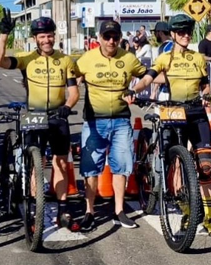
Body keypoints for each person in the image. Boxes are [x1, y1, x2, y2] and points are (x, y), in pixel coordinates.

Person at [131, 14, 211, 236]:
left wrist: (208, 96)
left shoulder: (198, 58)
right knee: (173, 160)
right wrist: (134, 91)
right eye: (181, 32)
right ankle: (186, 209)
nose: (186, 36)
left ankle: (209, 218)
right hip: (172, 109)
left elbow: (204, 86)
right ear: (172, 34)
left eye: (188, 32)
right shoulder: (164, 58)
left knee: (206, 166)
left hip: (196, 111)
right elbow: (148, 78)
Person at [0, 12, 80, 230]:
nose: (46, 40)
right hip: (34, 115)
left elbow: (74, 91)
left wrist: (67, 108)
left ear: (54, 36)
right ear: (35, 39)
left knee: (60, 162)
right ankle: (33, 211)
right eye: (41, 37)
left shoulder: (65, 60)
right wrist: (4, 35)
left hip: (57, 116)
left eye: (49, 36)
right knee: (35, 163)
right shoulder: (27, 59)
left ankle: (62, 210)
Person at [76, 20, 147, 231]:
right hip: (94, 121)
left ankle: (119, 211)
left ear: (120, 38)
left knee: (121, 167)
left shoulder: (128, 58)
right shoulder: (87, 58)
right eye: (107, 37)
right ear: (99, 38)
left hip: (121, 121)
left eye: (115, 37)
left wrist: (136, 90)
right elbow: (72, 79)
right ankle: (89, 211)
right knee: (90, 169)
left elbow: (148, 75)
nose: (111, 41)